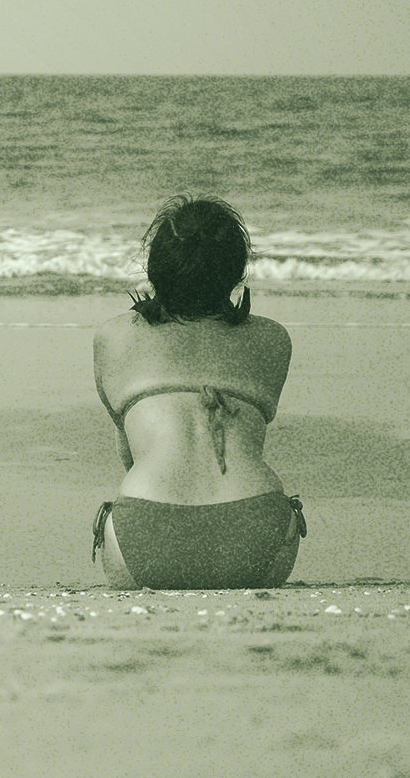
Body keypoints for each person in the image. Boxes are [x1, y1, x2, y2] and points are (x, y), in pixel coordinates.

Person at [92, 196, 303, 590]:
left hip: (147, 541)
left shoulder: (114, 336)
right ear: (236, 270)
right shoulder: (272, 339)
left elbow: (128, 454)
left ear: (156, 269)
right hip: (255, 539)